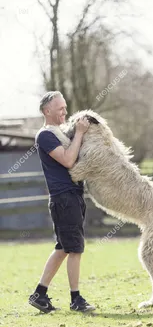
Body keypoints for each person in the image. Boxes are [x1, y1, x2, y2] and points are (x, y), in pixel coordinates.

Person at [29, 91, 95, 313]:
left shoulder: (60, 133)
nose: (65, 112)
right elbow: (68, 160)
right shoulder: (45, 136)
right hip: (64, 198)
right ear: (47, 111)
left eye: (65, 107)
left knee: (63, 248)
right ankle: (76, 299)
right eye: (60, 109)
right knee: (75, 248)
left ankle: (40, 294)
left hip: (71, 197)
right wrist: (79, 133)